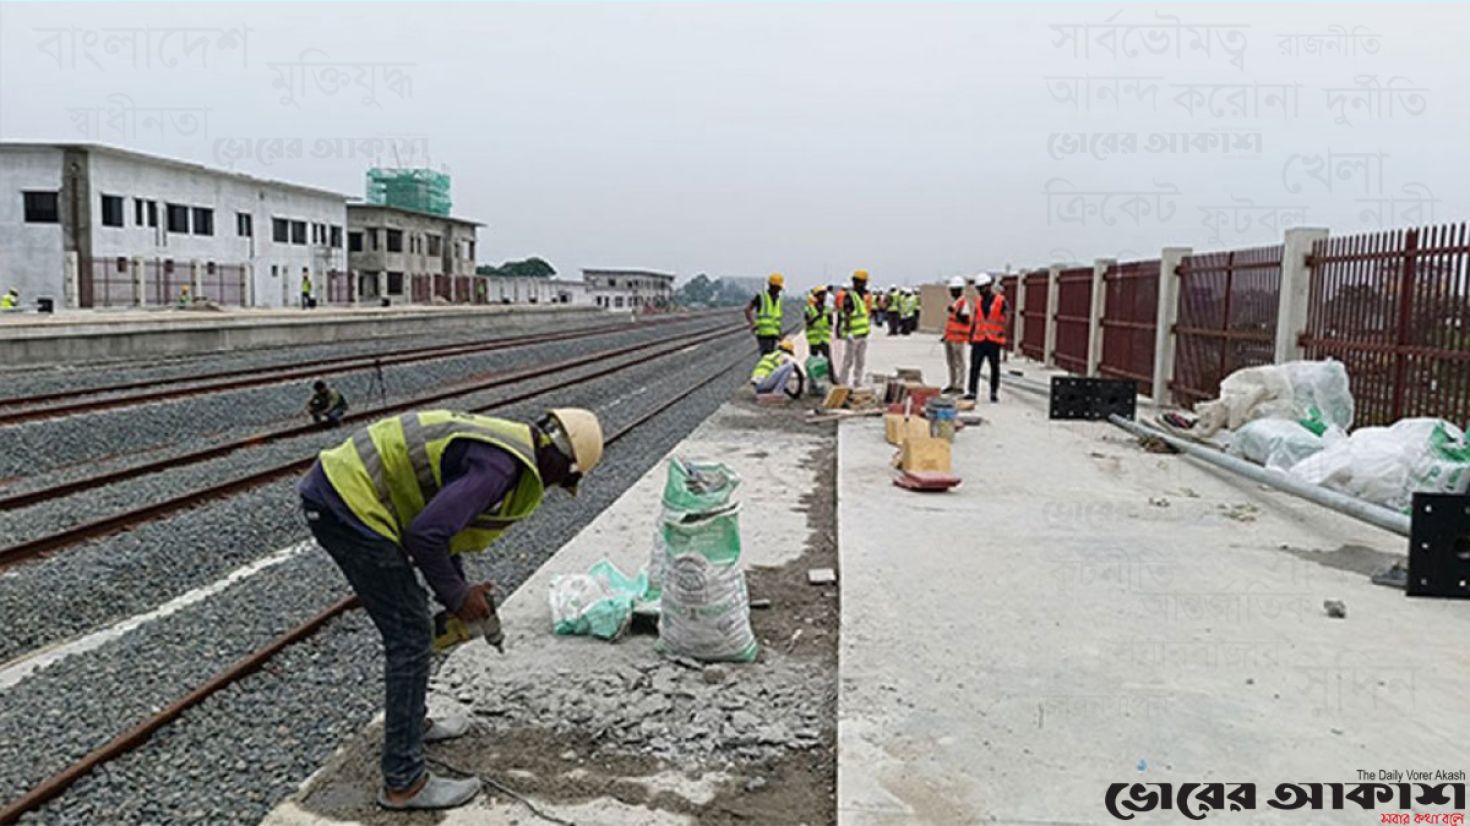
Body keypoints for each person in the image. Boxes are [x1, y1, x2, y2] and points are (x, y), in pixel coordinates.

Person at [299, 408, 603, 811]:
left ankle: (412, 724)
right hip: (346, 502)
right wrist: (459, 598)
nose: (553, 487)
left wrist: (458, 589)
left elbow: (443, 523)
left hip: (340, 488)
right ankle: (403, 783)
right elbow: (425, 536)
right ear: (561, 460)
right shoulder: (499, 468)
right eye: (564, 479)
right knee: (410, 636)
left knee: (414, 629)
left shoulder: (504, 444)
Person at [967, 273, 1008, 403]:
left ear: (989, 286)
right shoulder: (979, 302)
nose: (980, 291)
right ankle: (972, 392)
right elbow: (976, 319)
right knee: (975, 367)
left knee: (994, 367)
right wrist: (971, 335)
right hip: (979, 339)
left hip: (993, 339)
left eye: (982, 288)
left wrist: (1003, 331)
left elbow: (1007, 317)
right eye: (978, 289)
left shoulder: (1000, 301)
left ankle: (994, 392)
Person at [836, 269, 873, 387]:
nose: (863, 285)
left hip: (863, 334)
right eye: (861, 282)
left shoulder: (863, 296)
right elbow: (847, 314)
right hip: (853, 335)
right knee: (848, 361)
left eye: (864, 282)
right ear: (855, 282)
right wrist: (848, 332)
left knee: (860, 362)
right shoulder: (850, 296)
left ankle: (857, 382)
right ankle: (843, 383)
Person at [941, 276, 972, 394]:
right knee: (951, 363)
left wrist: (954, 312)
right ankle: (952, 383)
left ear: (960, 290)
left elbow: (965, 320)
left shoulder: (963, 303)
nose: (952, 292)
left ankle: (960, 385)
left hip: (959, 337)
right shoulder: (956, 302)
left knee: (960, 363)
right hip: (951, 337)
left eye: (954, 290)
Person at [744, 273, 784, 354]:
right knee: (766, 356)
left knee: (772, 357)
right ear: (772, 286)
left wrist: (779, 333)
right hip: (763, 334)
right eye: (777, 288)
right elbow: (747, 309)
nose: (778, 290)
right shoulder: (761, 297)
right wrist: (753, 323)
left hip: (774, 335)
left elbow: (776, 319)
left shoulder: (778, 300)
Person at [803, 286, 832, 362]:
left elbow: (830, 323)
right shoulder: (809, 309)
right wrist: (818, 316)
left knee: (828, 359)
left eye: (824, 295)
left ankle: (831, 374)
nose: (823, 297)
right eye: (821, 295)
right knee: (814, 361)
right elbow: (808, 322)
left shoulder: (827, 309)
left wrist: (829, 317)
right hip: (814, 340)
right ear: (816, 296)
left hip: (824, 339)